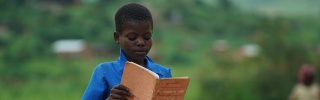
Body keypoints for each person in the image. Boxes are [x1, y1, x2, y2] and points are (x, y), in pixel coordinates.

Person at [82, 3, 172, 100]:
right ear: (117, 37)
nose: (141, 42)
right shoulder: (104, 72)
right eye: (132, 37)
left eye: (147, 37)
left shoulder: (163, 74)